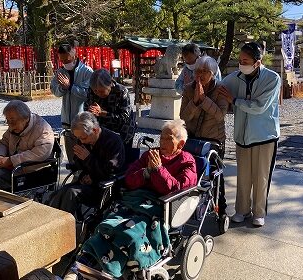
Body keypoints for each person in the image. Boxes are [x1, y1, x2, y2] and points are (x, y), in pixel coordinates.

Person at [63, 119, 197, 279]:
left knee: (129, 233)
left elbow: (176, 189)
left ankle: (111, 268)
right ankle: (78, 267)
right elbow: (129, 178)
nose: (162, 142)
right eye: (161, 137)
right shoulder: (150, 154)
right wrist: (146, 172)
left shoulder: (187, 163)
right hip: (134, 199)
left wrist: (159, 170)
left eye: (168, 139)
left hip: (160, 206)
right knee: (106, 226)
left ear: (180, 144)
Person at [222, 42, 281, 227]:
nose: (241, 64)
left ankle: (259, 212)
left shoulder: (272, 78)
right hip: (242, 136)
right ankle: (242, 210)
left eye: (245, 61)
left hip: (265, 136)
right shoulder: (236, 77)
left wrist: (234, 100)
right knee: (244, 176)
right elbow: (218, 84)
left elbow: (259, 106)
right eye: (240, 60)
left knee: (261, 177)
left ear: (257, 62)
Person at [180, 55, 232, 216]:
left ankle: (220, 209)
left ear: (213, 73)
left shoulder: (221, 89)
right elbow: (183, 116)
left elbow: (220, 115)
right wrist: (194, 102)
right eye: (197, 71)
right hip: (193, 137)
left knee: (216, 176)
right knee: (189, 173)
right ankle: (188, 208)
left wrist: (203, 100)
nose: (199, 75)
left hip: (213, 139)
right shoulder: (189, 88)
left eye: (204, 72)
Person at [48, 111, 125, 216]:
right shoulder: (85, 139)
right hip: (88, 183)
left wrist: (88, 159)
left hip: (104, 188)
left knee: (71, 193)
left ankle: (61, 224)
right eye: (78, 138)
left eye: (83, 138)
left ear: (95, 130)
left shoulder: (113, 141)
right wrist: (83, 174)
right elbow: (79, 164)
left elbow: (111, 171)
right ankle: (50, 223)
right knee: (57, 194)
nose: (81, 141)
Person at [0, 100, 54, 190]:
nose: (10, 125)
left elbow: (40, 154)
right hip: (10, 166)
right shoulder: (14, 127)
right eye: (7, 121)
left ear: (26, 118)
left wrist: (10, 160)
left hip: (28, 171)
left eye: (12, 121)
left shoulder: (42, 129)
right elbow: (3, 142)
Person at [50, 43, 93, 164]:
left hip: (83, 121)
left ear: (74, 55)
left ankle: (84, 176)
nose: (65, 62)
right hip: (67, 122)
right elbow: (55, 91)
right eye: (62, 60)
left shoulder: (87, 71)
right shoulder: (60, 71)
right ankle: (74, 175)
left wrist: (70, 87)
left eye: (67, 59)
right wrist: (63, 88)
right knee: (71, 154)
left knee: (84, 153)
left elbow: (89, 94)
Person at [85, 68, 136, 157]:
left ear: (109, 85)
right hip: (101, 132)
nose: (97, 93)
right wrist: (89, 113)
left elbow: (124, 117)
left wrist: (102, 113)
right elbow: (86, 109)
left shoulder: (121, 91)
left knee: (120, 162)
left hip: (122, 132)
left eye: (101, 91)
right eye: (95, 91)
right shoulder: (91, 91)